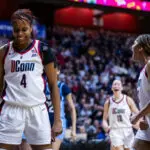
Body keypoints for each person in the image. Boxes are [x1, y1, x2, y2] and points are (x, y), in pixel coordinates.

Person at [0, 9, 62, 150]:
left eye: (24, 29)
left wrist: (57, 120)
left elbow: (53, 86)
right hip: (11, 109)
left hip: (37, 109)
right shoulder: (3, 52)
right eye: (16, 30)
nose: (20, 34)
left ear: (31, 28)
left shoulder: (43, 50)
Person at [102, 79, 139, 150]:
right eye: (114, 84)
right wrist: (107, 128)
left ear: (121, 88)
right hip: (115, 130)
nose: (116, 86)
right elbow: (104, 120)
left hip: (128, 130)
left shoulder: (128, 100)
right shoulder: (108, 102)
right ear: (112, 88)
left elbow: (138, 114)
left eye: (118, 84)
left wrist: (137, 124)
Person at [45, 68, 77, 150]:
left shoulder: (63, 87)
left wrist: (73, 129)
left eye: (53, 69)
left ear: (58, 71)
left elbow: (72, 109)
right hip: (45, 123)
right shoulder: (43, 86)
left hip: (59, 122)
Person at [130, 34, 150, 150]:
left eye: (134, 44)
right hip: (147, 123)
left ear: (140, 48)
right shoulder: (144, 69)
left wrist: (137, 116)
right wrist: (143, 118)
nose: (132, 47)